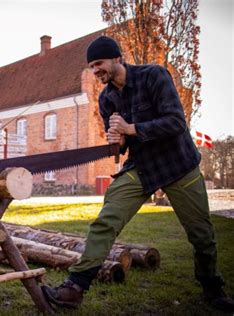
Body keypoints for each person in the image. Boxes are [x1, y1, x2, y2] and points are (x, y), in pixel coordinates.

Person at [41, 36, 234, 312]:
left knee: (202, 234)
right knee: (105, 220)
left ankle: (212, 289)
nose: (95, 71)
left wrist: (131, 128)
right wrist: (117, 140)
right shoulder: (107, 98)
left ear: (117, 58)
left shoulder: (153, 76)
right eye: (92, 66)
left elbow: (176, 122)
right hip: (142, 167)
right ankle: (75, 287)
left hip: (178, 164)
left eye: (99, 64)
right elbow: (123, 144)